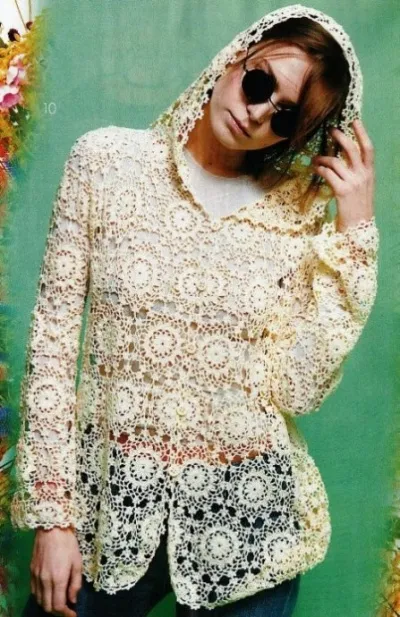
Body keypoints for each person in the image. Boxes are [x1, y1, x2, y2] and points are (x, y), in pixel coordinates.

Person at [11, 4, 379, 617]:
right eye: (259, 83)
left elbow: (298, 388)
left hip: (248, 524)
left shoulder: (297, 216)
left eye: (285, 116)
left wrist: (354, 234)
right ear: (236, 56)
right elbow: (51, 349)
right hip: (112, 510)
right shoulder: (105, 163)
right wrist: (54, 520)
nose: (258, 113)